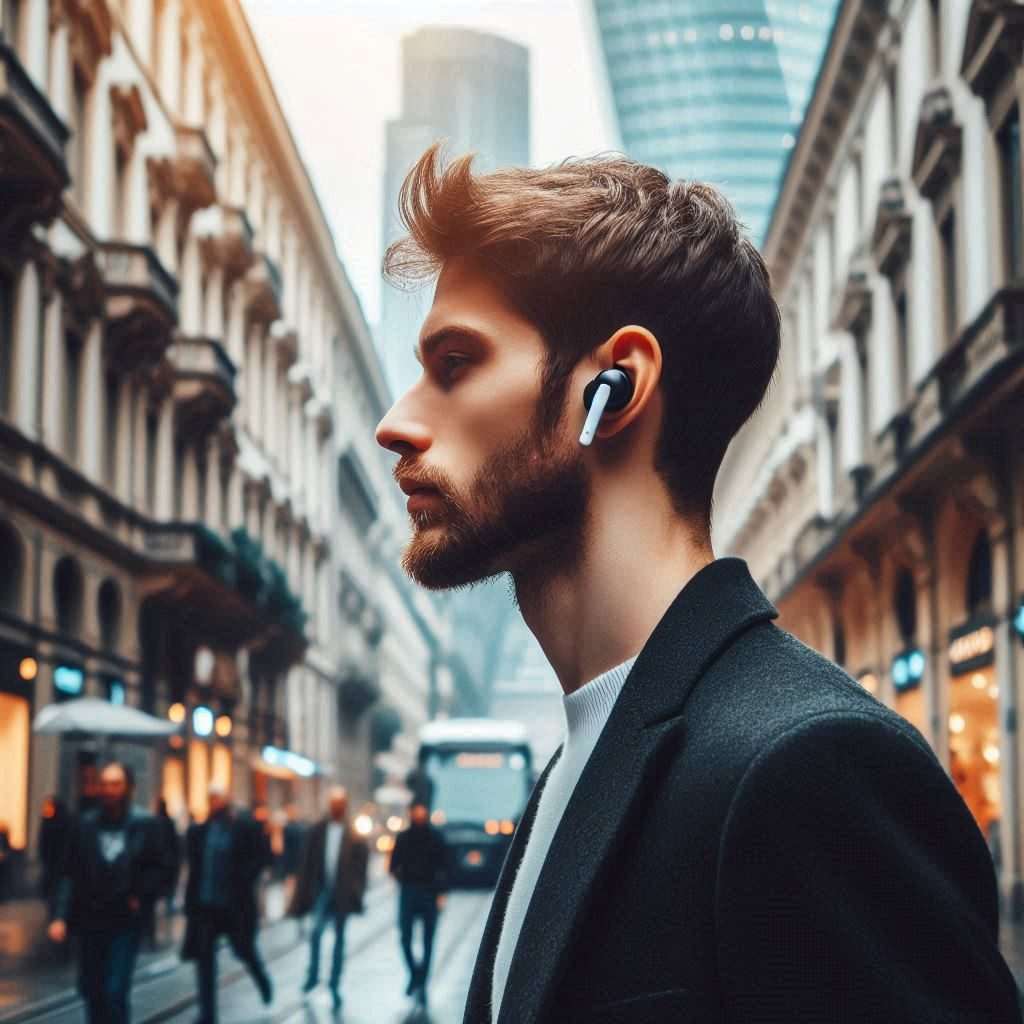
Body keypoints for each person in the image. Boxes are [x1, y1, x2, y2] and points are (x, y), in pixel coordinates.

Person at [374, 145, 1022, 1023]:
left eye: (456, 363)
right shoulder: (579, 757)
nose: (396, 423)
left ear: (617, 385)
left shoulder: (808, 768)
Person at [46, 762, 167, 1024]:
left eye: (116, 784)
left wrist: (142, 896)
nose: (109, 790)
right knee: (92, 990)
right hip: (90, 919)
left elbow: (160, 869)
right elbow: (69, 872)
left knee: (115, 990)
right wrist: (59, 916)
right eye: (105, 784)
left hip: (125, 920)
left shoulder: (144, 824)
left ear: (128, 788)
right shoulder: (84, 825)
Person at [181, 784, 274, 1024]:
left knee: (244, 950)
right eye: (212, 799)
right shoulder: (200, 832)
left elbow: (264, 856)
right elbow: (195, 870)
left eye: (219, 800)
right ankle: (208, 1014)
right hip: (206, 907)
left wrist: (245, 877)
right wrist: (190, 904)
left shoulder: (243, 829)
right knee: (204, 961)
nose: (215, 804)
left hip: (234, 908)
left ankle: (262, 980)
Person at [287, 786, 368, 1012]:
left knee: (339, 940)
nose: (336, 807)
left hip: (342, 894)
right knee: (315, 934)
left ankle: (334, 983)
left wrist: (357, 891)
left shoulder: (353, 833)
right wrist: (302, 894)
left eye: (340, 803)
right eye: (334, 803)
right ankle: (313, 976)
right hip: (321, 891)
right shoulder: (317, 831)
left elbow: (361, 867)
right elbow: (306, 864)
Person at [389, 801, 448, 1007]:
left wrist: (441, 893)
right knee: (405, 938)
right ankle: (415, 974)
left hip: (429, 893)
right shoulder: (404, 837)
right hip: (410, 891)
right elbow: (393, 865)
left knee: (428, 941)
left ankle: (421, 982)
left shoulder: (435, 837)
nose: (419, 815)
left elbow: (444, 866)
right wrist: (402, 880)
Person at [38, 795, 70, 915]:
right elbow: (42, 843)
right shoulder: (46, 822)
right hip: (49, 864)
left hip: (60, 864)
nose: (46, 809)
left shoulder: (63, 822)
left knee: (58, 890)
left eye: (49, 806)